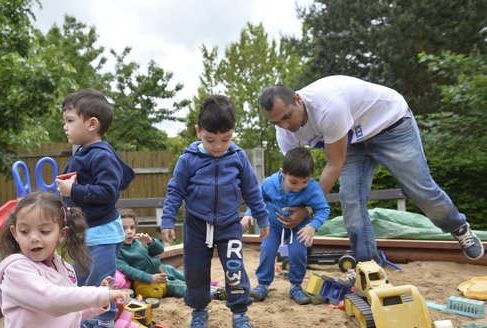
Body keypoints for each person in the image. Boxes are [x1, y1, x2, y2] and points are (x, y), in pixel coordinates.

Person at [259, 75, 484, 264]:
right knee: (351, 199)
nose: (286, 126)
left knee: (419, 189)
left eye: (287, 116)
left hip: (391, 125)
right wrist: (289, 211)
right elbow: (294, 177)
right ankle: (368, 266)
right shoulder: (285, 133)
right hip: (354, 142)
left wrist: (307, 209)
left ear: (297, 99)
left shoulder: (328, 106)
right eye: (277, 122)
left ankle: (459, 227)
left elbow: (334, 163)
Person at [160, 94, 270, 328]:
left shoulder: (238, 157)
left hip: (229, 224)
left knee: (234, 268)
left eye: (226, 139)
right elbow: (175, 191)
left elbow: (252, 190)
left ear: (233, 132)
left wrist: (262, 217)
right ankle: (199, 311)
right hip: (197, 225)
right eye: (211, 140)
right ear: (198, 131)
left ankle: (240, 313)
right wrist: (168, 220)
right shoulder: (188, 159)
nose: (219, 146)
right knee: (196, 271)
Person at [0, 192, 130, 328]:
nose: (33, 238)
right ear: (15, 234)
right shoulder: (16, 272)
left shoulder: (64, 268)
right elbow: (52, 300)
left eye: (44, 231)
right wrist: (100, 294)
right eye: (24, 231)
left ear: (62, 234)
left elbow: (69, 310)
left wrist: (101, 300)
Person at [55, 88, 136, 328]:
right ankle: (83, 317)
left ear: (92, 124)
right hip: (85, 232)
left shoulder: (101, 155)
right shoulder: (85, 152)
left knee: (100, 280)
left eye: (70, 121)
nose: (65, 127)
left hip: (101, 234)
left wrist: (73, 191)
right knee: (80, 279)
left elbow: (109, 192)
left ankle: (104, 319)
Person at [241, 147, 330, 305]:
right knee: (267, 249)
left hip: (299, 227)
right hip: (273, 226)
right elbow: (257, 199)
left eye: (305, 181)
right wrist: (249, 213)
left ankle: (296, 286)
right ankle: (263, 285)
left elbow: (323, 208)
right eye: (294, 182)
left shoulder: (311, 188)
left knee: (297, 251)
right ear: (283, 173)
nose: (299, 186)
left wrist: (312, 226)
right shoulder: (269, 183)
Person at [117, 208, 226, 300]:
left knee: (183, 275)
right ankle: (213, 293)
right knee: (176, 285)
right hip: (147, 279)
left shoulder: (139, 241)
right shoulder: (118, 251)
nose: (129, 231)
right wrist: (150, 278)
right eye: (124, 228)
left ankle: (209, 284)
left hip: (161, 269)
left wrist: (151, 241)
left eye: (132, 227)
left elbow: (159, 251)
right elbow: (130, 271)